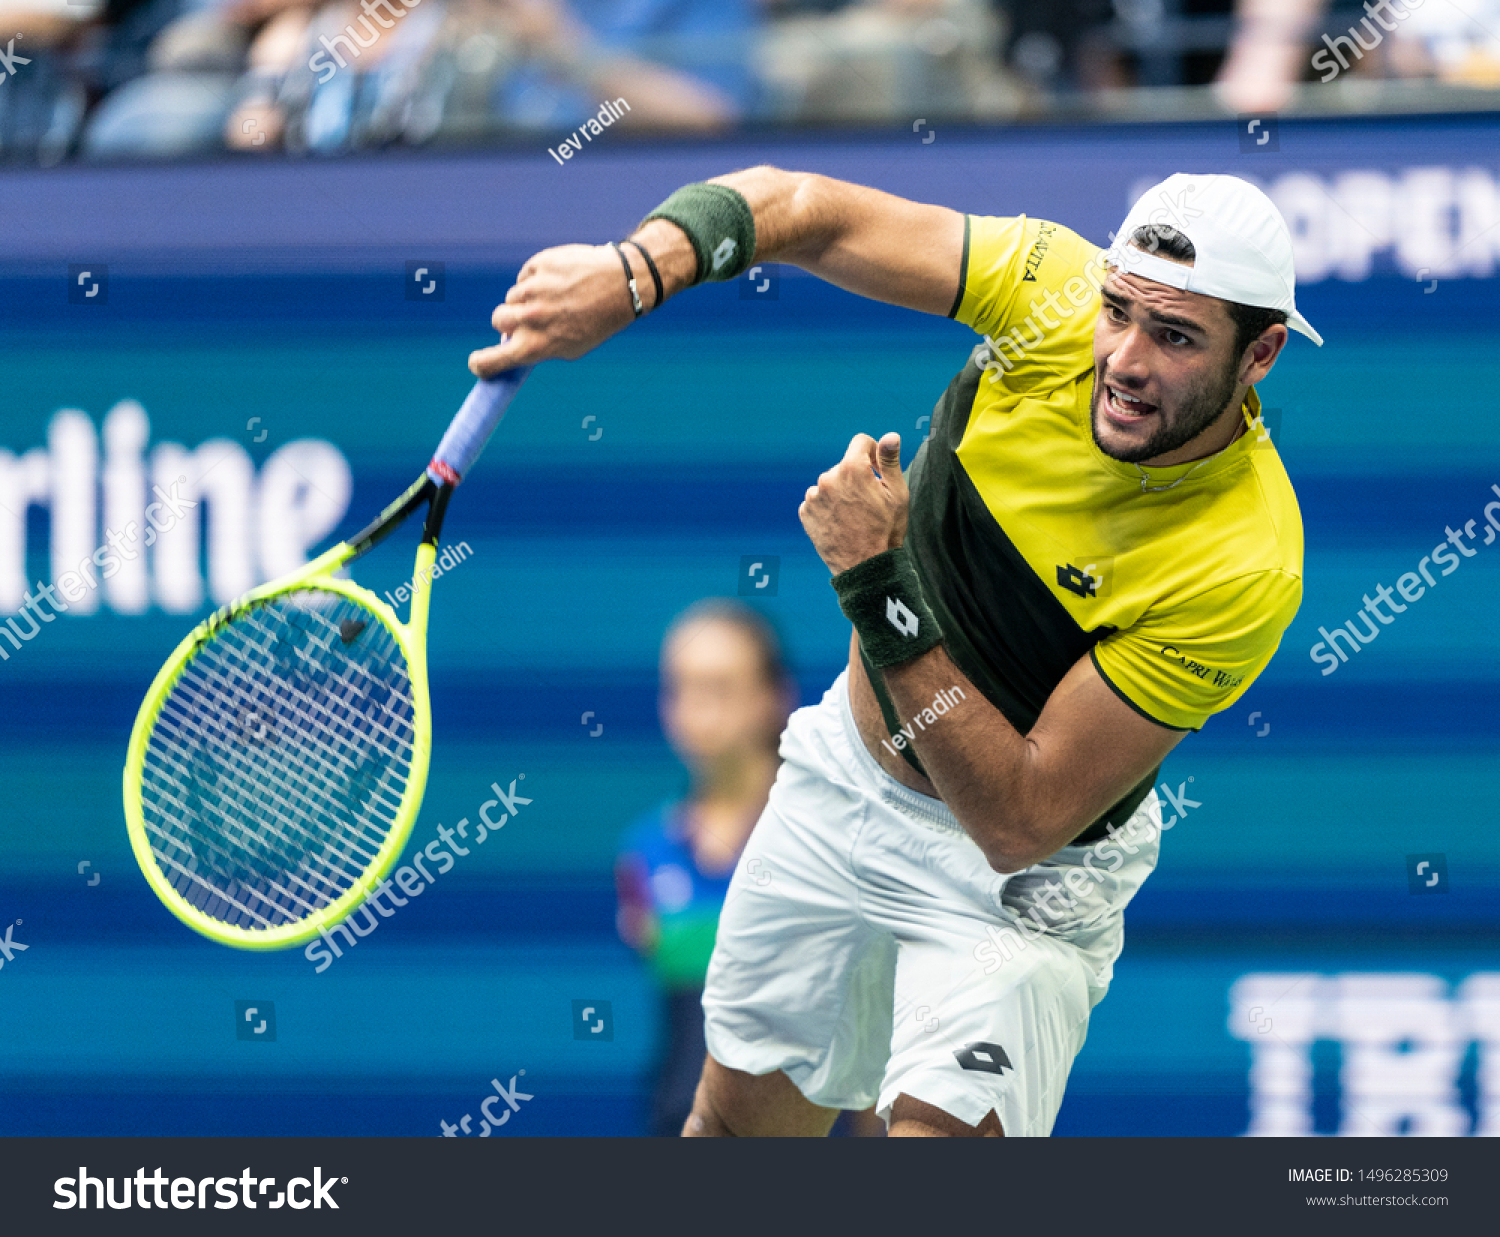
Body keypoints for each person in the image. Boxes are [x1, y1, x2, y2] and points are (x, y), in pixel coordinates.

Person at [470, 165, 1317, 1136]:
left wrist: (877, 582)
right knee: (730, 1132)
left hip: (1019, 889)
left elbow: (1018, 815)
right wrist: (632, 274)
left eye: (1174, 337)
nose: (1122, 357)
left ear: (1260, 355)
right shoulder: (1047, 291)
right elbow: (804, 211)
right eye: (1118, 310)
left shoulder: (1244, 564)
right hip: (846, 784)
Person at [615, 599, 795, 1136]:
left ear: (773, 699)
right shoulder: (644, 853)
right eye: (680, 688)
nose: (695, 709)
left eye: (718, 687)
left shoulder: (822, 847)